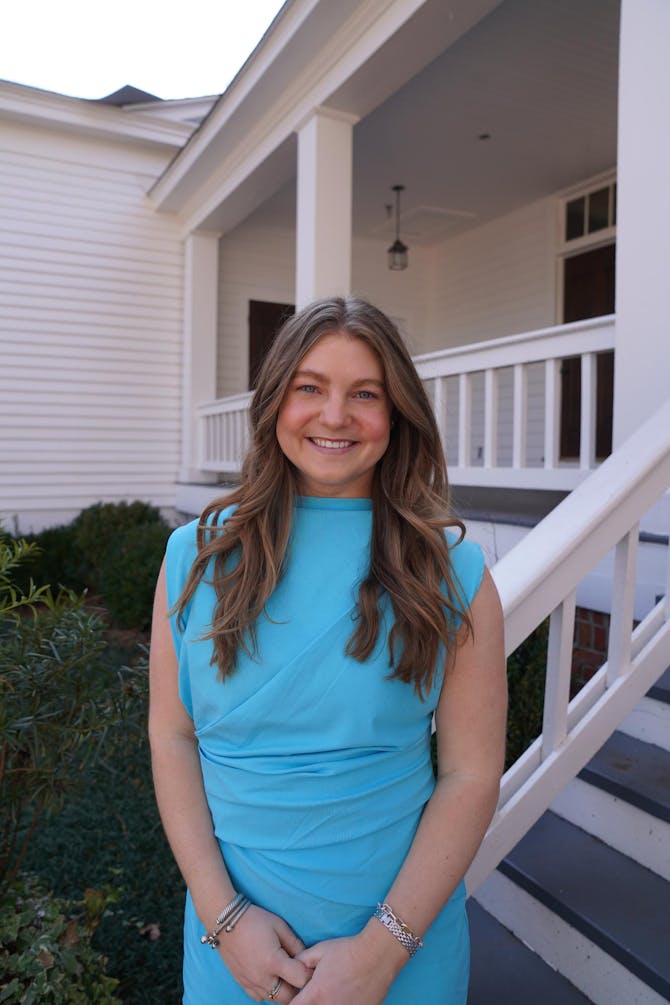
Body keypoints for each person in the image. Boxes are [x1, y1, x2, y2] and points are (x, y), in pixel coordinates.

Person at [149, 295, 507, 1005]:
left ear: (397, 412)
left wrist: (381, 951)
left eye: (364, 394)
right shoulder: (194, 555)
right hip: (235, 951)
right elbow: (172, 733)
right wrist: (225, 918)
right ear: (276, 399)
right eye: (310, 387)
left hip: (401, 954)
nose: (334, 415)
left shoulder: (453, 573)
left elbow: (470, 774)